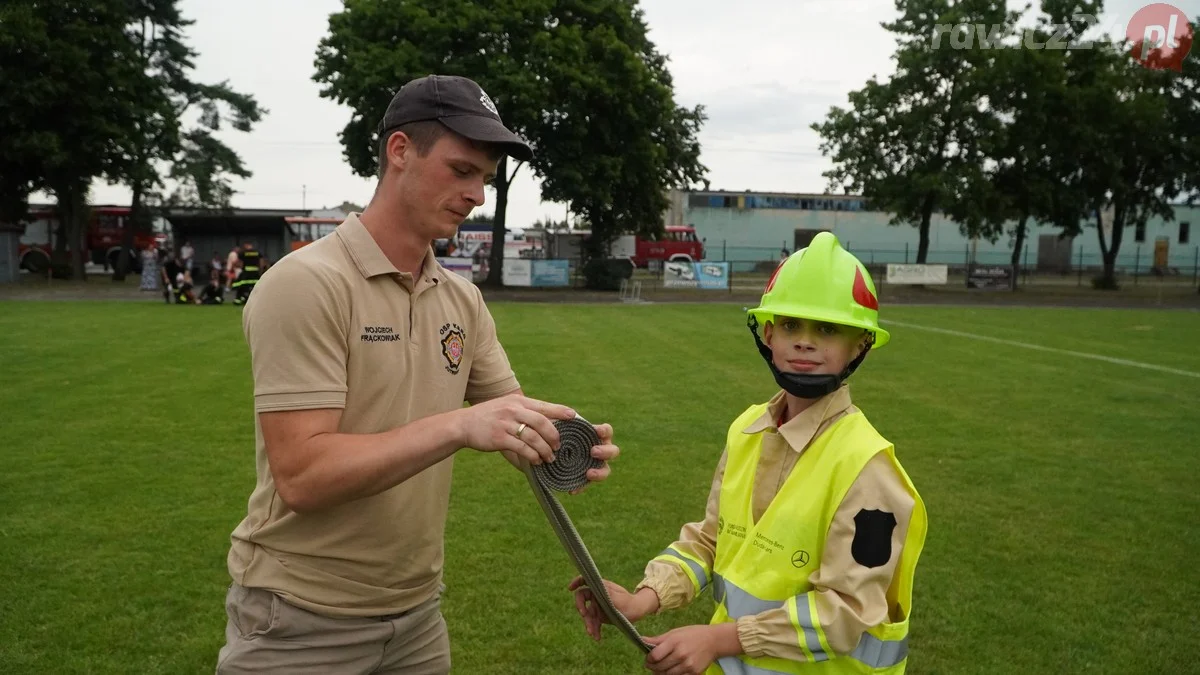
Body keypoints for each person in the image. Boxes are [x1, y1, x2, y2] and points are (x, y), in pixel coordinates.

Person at [215, 74, 620, 675]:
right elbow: (302, 476)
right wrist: (460, 425)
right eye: (461, 171)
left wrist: (564, 439)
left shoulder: (459, 299)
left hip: (417, 619)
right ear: (399, 151)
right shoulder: (305, 285)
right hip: (299, 620)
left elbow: (506, 414)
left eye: (484, 177)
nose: (477, 194)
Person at [570, 233, 928, 675]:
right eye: (792, 326)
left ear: (861, 345)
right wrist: (643, 598)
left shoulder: (868, 467)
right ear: (769, 333)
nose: (805, 342)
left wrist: (719, 639)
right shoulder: (747, 429)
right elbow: (712, 540)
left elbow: (846, 612)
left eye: (828, 329)